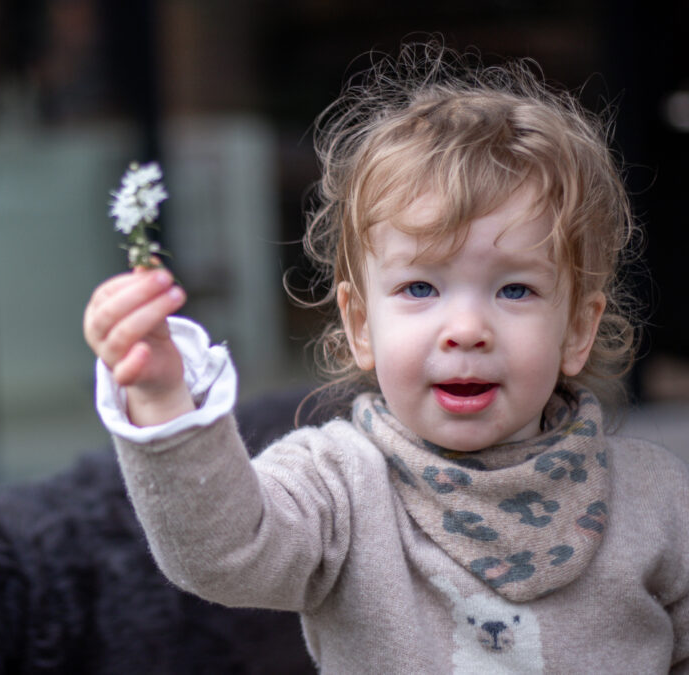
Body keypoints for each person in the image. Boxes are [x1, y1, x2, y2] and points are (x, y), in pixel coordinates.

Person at [83, 41, 688, 673]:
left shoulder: (657, 500)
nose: (466, 330)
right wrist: (162, 400)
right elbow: (223, 553)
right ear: (360, 324)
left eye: (514, 290)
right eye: (420, 288)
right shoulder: (337, 487)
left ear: (577, 330)